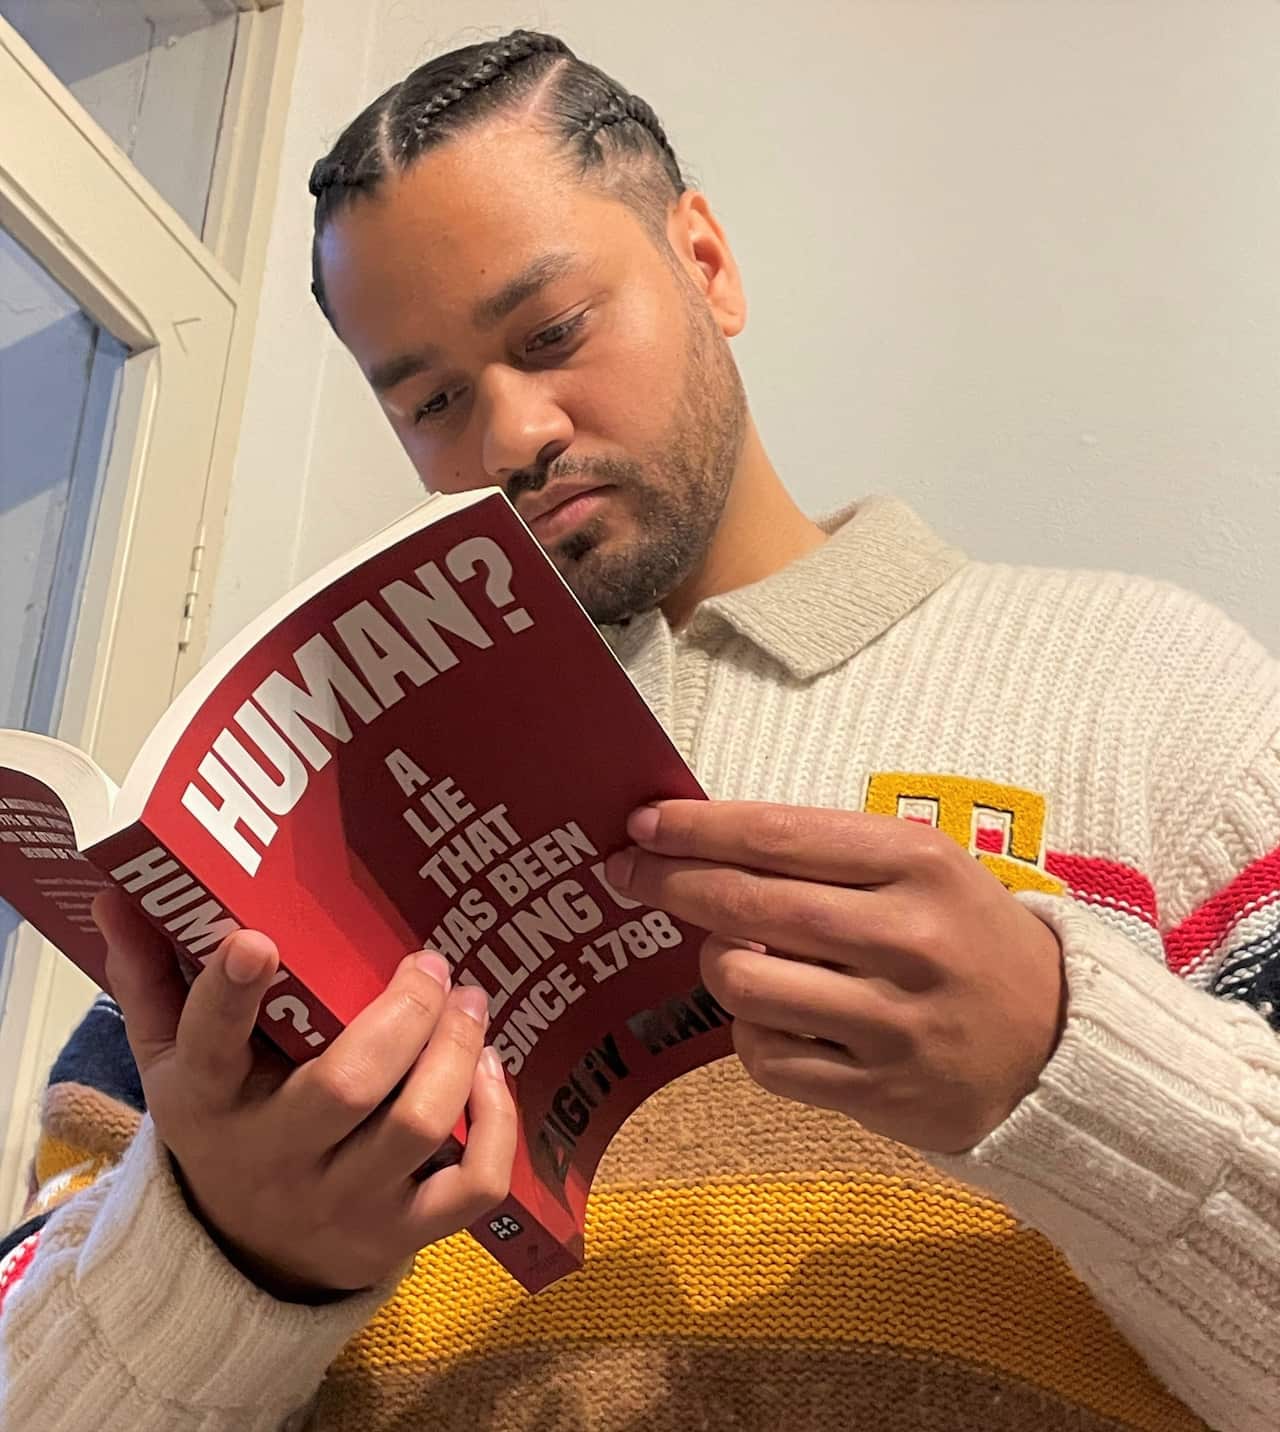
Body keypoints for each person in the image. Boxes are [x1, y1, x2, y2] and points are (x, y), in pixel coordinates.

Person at [1, 27, 1277, 1432]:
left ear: (706, 263)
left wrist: (1066, 1062)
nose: (512, 434)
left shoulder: (1157, 694)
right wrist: (226, 1256)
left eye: (551, 333)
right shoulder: (294, 822)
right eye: (430, 401)